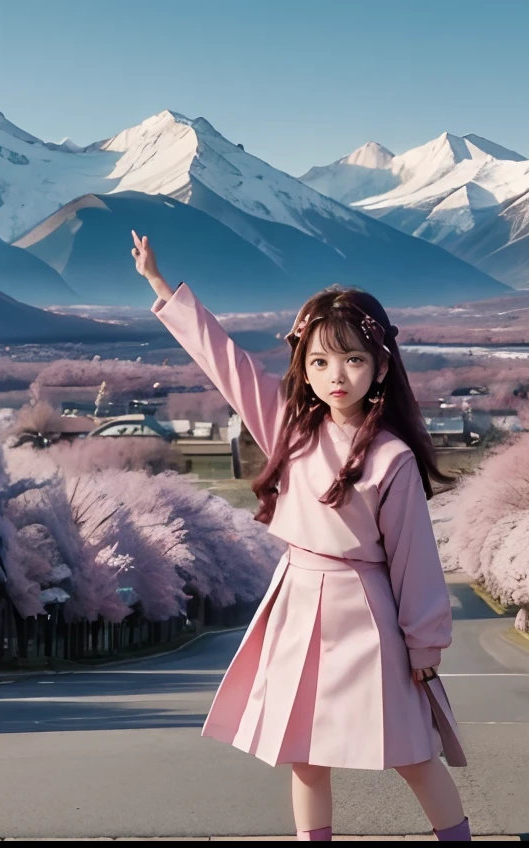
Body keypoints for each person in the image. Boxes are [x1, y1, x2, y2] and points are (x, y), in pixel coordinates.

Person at [131, 232, 471, 841]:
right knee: (304, 750)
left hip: (367, 612)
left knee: (411, 750)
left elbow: (415, 560)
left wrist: (425, 645)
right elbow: (227, 364)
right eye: (319, 362)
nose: (335, 376)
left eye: (353, 360)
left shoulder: (390, 457)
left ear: (382, 367)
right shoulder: (288, 427)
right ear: (302, 367)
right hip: (297, 599)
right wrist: (163, 288)